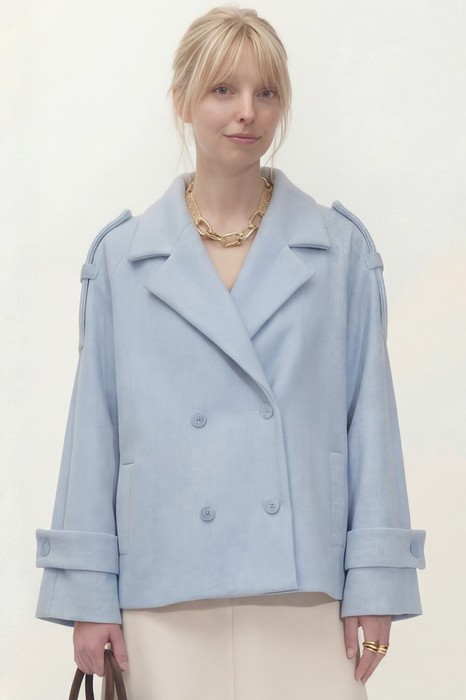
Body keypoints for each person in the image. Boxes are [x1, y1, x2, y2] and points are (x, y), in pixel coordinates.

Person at [35, 6, 426, 699]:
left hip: (306, 592)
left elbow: (370, 421)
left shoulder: (339, 251)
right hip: (164, 592)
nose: (247, 111)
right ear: (182, 100)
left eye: (265, 92)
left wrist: (375, 579)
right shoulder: (123, 259)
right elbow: (94, 431)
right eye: (223, 89)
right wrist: (89, 594)